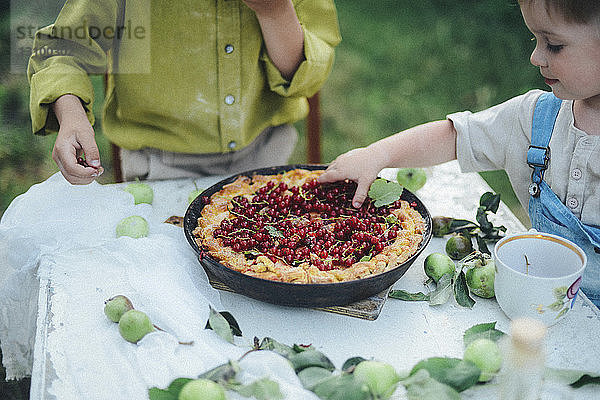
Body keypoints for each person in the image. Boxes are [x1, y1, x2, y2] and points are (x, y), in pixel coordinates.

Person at [318, 0, 600, 307]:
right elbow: (456, 136)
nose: (535, 57)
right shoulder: (535, 119)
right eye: (535, 40)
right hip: (536, 306)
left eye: (554, 45)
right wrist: (378, 154)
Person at [28, 0, 340, 184]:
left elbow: (307, 77)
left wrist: (275, 12)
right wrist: (70, 115)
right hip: (157, 169)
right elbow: (61, 49)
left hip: (266, 158)